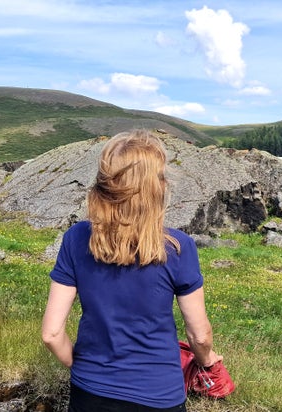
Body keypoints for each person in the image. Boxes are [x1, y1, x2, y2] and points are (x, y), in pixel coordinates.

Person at [41, 130, 222, 411]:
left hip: (90, 393)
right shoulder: (178, 248)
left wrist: (82, 367)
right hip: (159, 395)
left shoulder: (77, 238)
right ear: (157, 187)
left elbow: (51, 334)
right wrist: (208, 360)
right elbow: (199, 336)